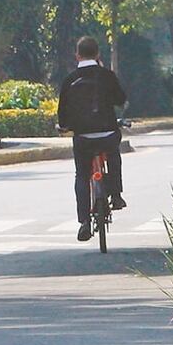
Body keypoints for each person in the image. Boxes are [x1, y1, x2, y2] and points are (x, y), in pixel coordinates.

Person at [57, 36, 127, 242]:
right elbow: (121, 99)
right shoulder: (106, 76)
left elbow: (63, 112)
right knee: (114, 156)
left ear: (77, 55)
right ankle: (115, 195)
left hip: (83, 138)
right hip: (107, 134)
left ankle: (84, 221)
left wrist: (64, 127)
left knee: (81, 174)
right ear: (97, 55)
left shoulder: (70, 79)